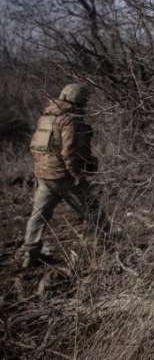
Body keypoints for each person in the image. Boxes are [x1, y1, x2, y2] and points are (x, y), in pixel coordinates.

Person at [16, 83, 107, 269]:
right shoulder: (70, 120)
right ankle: (109, 248)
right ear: (80, 100)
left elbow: (35, 147)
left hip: (44, 176)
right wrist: (77, 175)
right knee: (93, 211)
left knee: (38, 215)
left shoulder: (46, 117)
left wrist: (42, 170)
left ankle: (30, 253)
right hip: (64, 176)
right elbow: (69, 152)